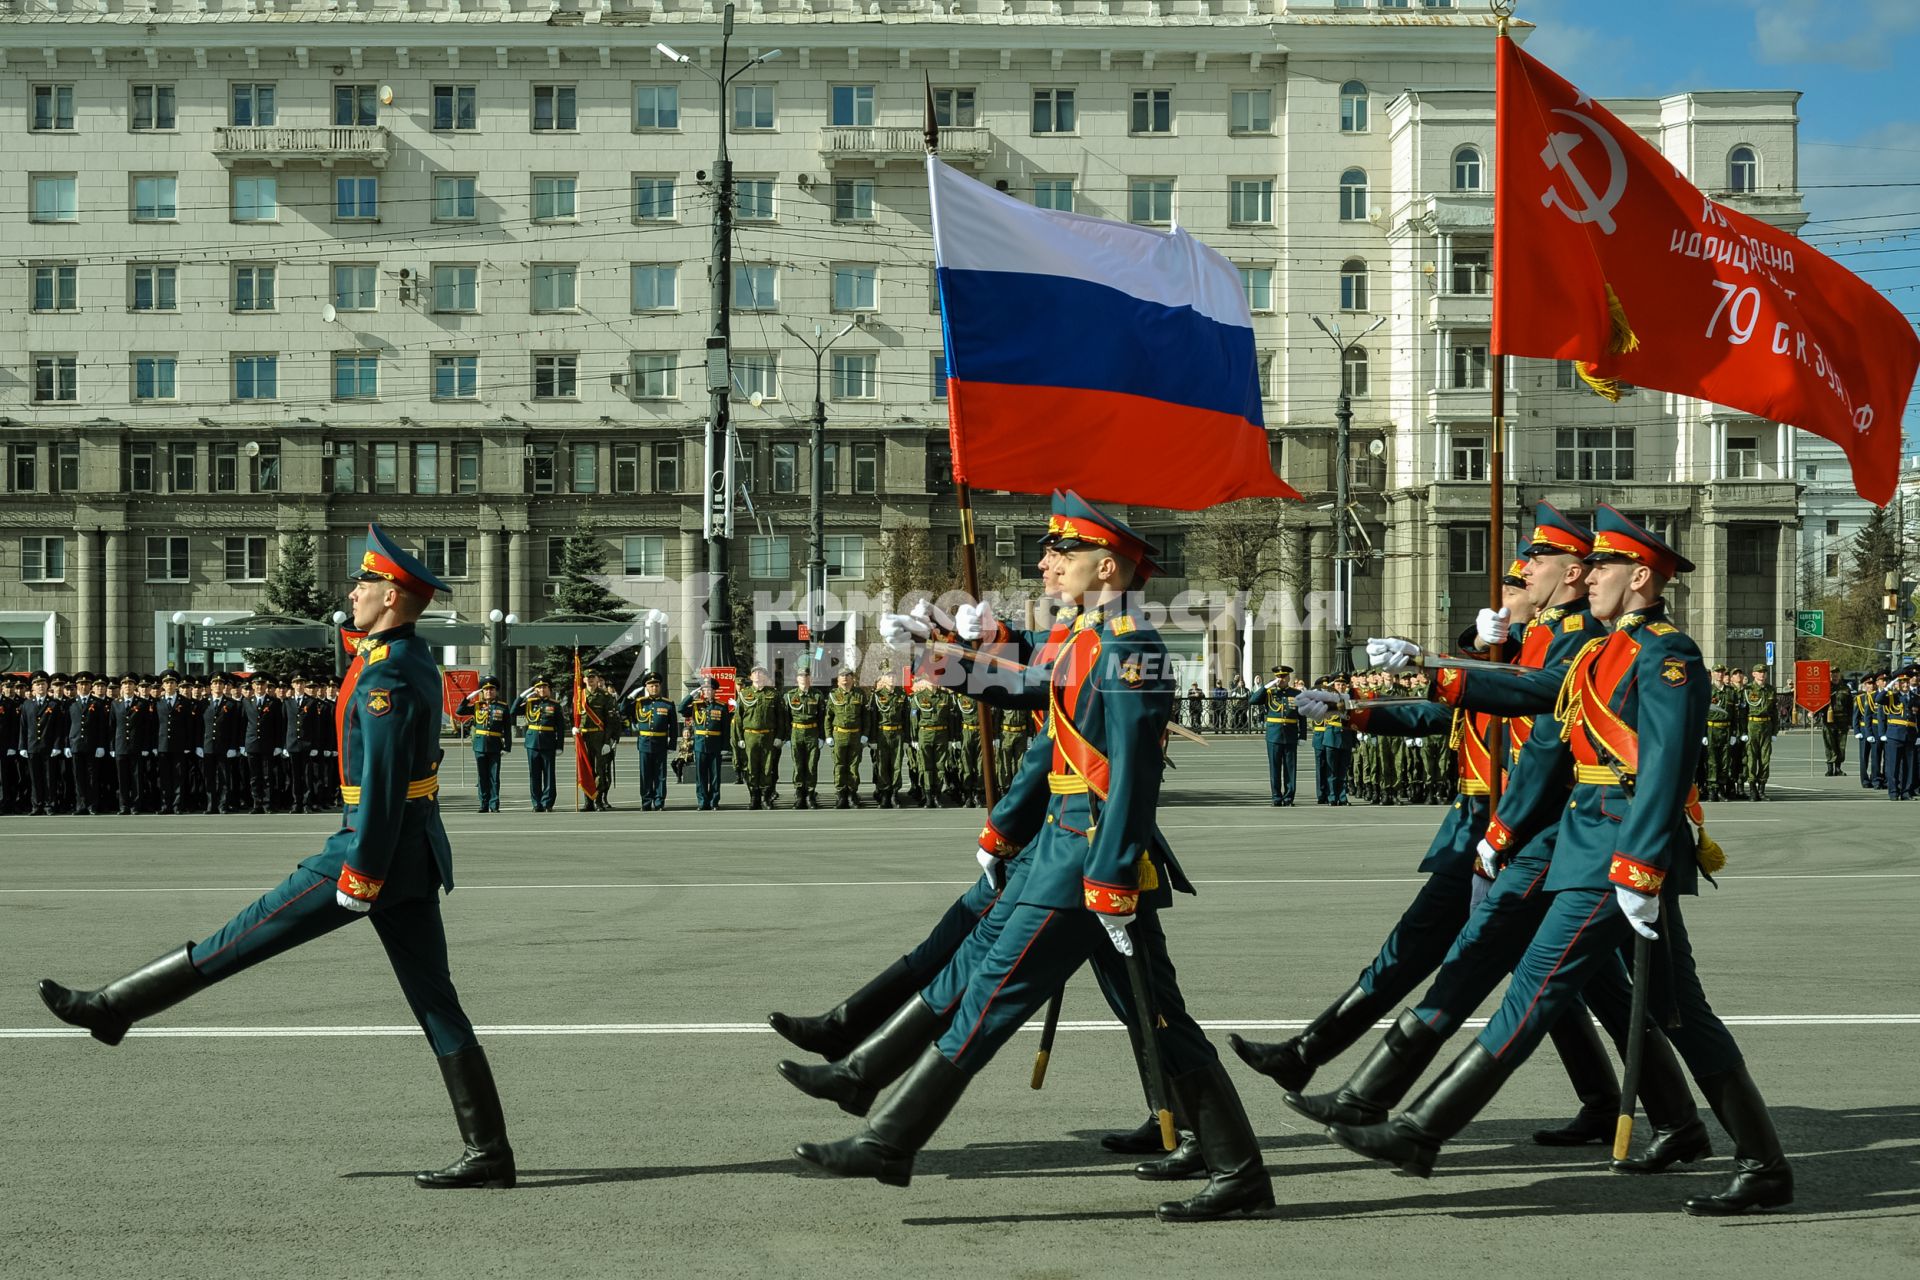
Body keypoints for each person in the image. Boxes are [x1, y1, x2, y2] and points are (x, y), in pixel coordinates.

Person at [794, 493, 1274, 1223]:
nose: (1046, 562)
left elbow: (1134, 781)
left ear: (1105, 565)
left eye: (1062, 552)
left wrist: (1110, 879)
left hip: (1086, 863)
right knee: (1159, 1021)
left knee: (989, 995)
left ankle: (889, 1137)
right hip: (1062, 848)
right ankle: (1238, 1171)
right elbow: (1027, 686)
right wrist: (938, 657)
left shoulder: (1131, 649)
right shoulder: (1088, 638)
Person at [1326, 505, 1792, 1217]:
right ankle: (1763, 1163)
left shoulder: (1669, 654)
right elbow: (1536, 692)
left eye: (1603, 566)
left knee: (1536, 989)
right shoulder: (1605, 651)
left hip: (1617, 854)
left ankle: (1422, 1130)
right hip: (1594, 845)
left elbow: (1665, 768)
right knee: (1676, 1011)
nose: (1590, 576)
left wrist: (1639, 869)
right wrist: (1437, 670)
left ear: (1640, 577)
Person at [37, 523, 515, 1190]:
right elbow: (378, 712)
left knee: (247, 933)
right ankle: (489, 1151)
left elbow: (380, 781)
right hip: (410, 852)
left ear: (394, 596)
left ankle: (114, 1007)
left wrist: (362, 871)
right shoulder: (400, 657)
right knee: (436, 1003)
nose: (353, 591)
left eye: (366, 583)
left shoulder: (390, 676)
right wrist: (357, 630)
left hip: (370, 849)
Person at [1246, 506, 1642, 1151]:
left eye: (1520, 579)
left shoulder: (1563, 644)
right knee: (1467, 961)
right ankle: (1318, 1056)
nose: (1510, 592)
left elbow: (1540, 743)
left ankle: (1361, 1091)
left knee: (1528, 975)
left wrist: (1505, 828)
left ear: (1569, 576)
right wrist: (1356, 711)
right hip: (1476, 826)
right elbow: (1445, 717)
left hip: (1523, 832)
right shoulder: (1524, 647)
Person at [1246, 665, 1300, 806]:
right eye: (1278, 677)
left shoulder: (1296, 693)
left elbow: (1302, 716)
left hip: (1290, 734)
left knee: (1290, 768)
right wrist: (1265, 687)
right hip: (1274, 734)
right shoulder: (1269, 692)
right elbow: (1252, 700)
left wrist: (1303, 735)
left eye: (1283, 676)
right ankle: (1276, 797)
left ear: (1288, 677)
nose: (1281, 679)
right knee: (1275, 767)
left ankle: (1288, 797)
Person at [624, 673, 678, 811]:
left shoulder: (667, 704)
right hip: (644, 742)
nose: (654, 688)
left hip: (660, 742)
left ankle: (659, 802)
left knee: (660, 775)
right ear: (646, 687)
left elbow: (673, 727)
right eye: (651, 685)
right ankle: (646, 801)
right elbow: (622, 710)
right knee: (645, 774)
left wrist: (672, 744)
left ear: (660, 686)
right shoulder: (639, 703)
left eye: (656, 685)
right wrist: (630, 697)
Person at [733, 666, 785, 810]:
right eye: (754, 673)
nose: (757, 675)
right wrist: (740, 738)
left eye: (760, 673)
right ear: (750, 677)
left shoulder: (773, 694)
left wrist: (780, 736)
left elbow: (781, 718)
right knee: (751, 768)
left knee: (767, 768)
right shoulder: (744, 694)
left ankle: (766, 797)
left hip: (768, 735)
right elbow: (738, 719)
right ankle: (754, 797)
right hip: (750, 735)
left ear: (765, 677)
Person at [460, 677, 512, 814]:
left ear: (496, 691)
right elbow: (460, 711)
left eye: (491, 689)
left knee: (494, 776)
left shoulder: (503, 707)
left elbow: (507, 729)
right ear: (482, 692)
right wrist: (468, 698)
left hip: (495, 745)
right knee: (482, 776)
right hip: (480, 745)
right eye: (486, 690)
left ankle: (494, 804)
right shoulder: (477, 706)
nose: (489, 692)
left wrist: (507, 747)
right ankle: (483, 803)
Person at [511, 676, 561, 812]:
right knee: (534, 774)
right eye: (538, 687)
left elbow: (560, 727)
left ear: (549, 689)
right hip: (532, 743)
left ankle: (548, 803)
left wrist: (559, 746)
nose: (542, 689)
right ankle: (536, 803)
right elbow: (513, 711)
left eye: (544, 687)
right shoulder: (529, 703)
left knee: (549, 775)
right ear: (535, 689)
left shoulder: (555, 705)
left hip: (548, 742)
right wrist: (523, 695)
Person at [783, 665, 827, 810]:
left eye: (806, 676)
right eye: (801, 676)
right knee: (798, 765)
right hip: (796, 732)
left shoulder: (817, 695)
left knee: (811, 765)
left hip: (812, 733)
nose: (804, 678)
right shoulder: (789, 696)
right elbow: (785, 719)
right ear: (797, 679)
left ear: (811, 679)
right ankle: (799, 794)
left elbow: (822, 718)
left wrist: (822, 736)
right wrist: (787, 737)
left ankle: (810, 794)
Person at [680, 678, 728, 810]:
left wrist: (725, 747)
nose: (707, 691)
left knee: (715, 775)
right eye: (704, 689)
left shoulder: (721, 706)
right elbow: (681, 708)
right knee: (700, 775)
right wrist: (691, 696)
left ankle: (714, 801)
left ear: (714, 691)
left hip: (715, 744)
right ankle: (702, 801)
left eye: (710, 689)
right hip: (700, 745)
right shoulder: (696, 705)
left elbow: (726, 729)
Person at [824, 669, 869, 809]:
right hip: (839, 735)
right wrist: (828, 736)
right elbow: (828, 717)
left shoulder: (860, 694)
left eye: (847, 676)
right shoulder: (833, 695)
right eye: (842, 676)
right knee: (839, 766)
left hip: (855, 735)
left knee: (853, 766)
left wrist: (865, 734)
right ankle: (840, 794)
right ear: (838, 680)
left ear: (852, 679)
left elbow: (866, 717)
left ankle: (852, 794)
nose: (845, 678)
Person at [580, 668, 623, 811]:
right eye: (588, 677)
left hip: (599, 738)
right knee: (586, 770)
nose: (591, 680)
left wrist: (607, 741)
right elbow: (574, 715)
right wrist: (575, 728)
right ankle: (588, 801)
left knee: (599, 770)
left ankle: (598, 800)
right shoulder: (579, 696)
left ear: (598, 679)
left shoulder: (605, 696)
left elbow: (610, 721)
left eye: (593, 677)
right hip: (584, 738)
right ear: (584, 680)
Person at [868, 671, 908, 807]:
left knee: (896, 765)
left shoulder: (902, 695)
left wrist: (907, 739)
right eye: (889, 676)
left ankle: (894, 794)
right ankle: (884, 793)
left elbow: (906, 718)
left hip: (898, 734)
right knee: (882, 765)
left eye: (893, 676)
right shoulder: (877, 696)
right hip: (882, 734)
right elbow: (872, 719)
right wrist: (872, 739)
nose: (892, 678)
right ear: (883, 679)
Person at [1743, 663, 1778, 801]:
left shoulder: (1770, 690)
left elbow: (1774, 712)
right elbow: (1742, 712)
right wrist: (1743, 731)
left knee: (1765, 759)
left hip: (1766, 725)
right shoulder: (1748, 690)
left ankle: (1762, 788)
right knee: (1752, 759)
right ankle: (1752, 789)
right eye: (1759, 672)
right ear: (1753, 674)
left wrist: (1775, 731)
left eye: (1764, 672)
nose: (1762, 674)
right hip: (1752, 724)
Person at [1822, 678, 1854, 777]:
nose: (1834, 676)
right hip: (1829, 720)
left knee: (1841, 745)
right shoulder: (1825, 688)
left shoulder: (1845, 688)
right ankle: (1830, 768)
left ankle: (1838, 768)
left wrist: (1850, 721)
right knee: (1829, 744)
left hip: (1842, 720)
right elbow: (1819, 702)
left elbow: (1850, 706)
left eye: (1836, 673)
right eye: (1832, 674)